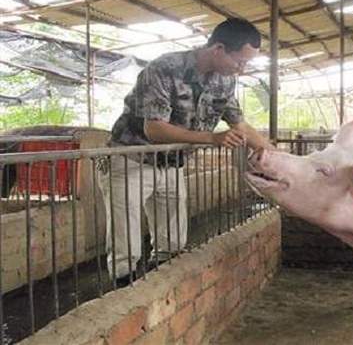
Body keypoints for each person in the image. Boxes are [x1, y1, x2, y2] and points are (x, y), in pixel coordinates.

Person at [101, 18, 274, 283]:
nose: (241, 70)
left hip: (171, 165)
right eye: (239, 62)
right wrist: (211, 139)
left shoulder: (224, 82)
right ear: (218, 49)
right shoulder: (164, 68)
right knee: (126, 241)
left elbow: (239, 124)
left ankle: (163, 293)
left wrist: (274, 154)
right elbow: (154, 130)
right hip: (131, 160)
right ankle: (121, 293)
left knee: (172, 240)